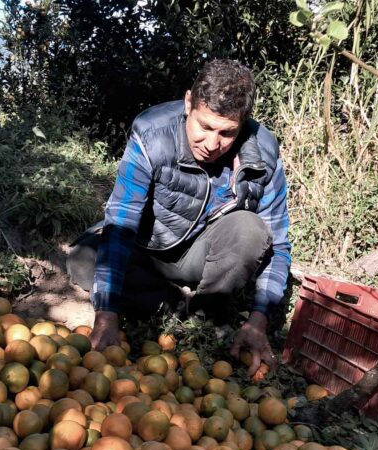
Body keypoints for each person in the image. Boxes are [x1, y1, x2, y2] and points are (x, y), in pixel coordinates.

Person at [67, 59, 291, 378]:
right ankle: (170, 303)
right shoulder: (152, 134)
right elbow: (121, 222)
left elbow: (279, 246)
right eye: (205, 126)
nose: (212, 144)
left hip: (204, 255)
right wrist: (106, 315)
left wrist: (259, 320)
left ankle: (206, 312)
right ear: (188, 103)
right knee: (82, 261)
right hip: (149, 248)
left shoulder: (264, 156)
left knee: (251, 230)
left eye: (227, 133)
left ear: (244, 123)